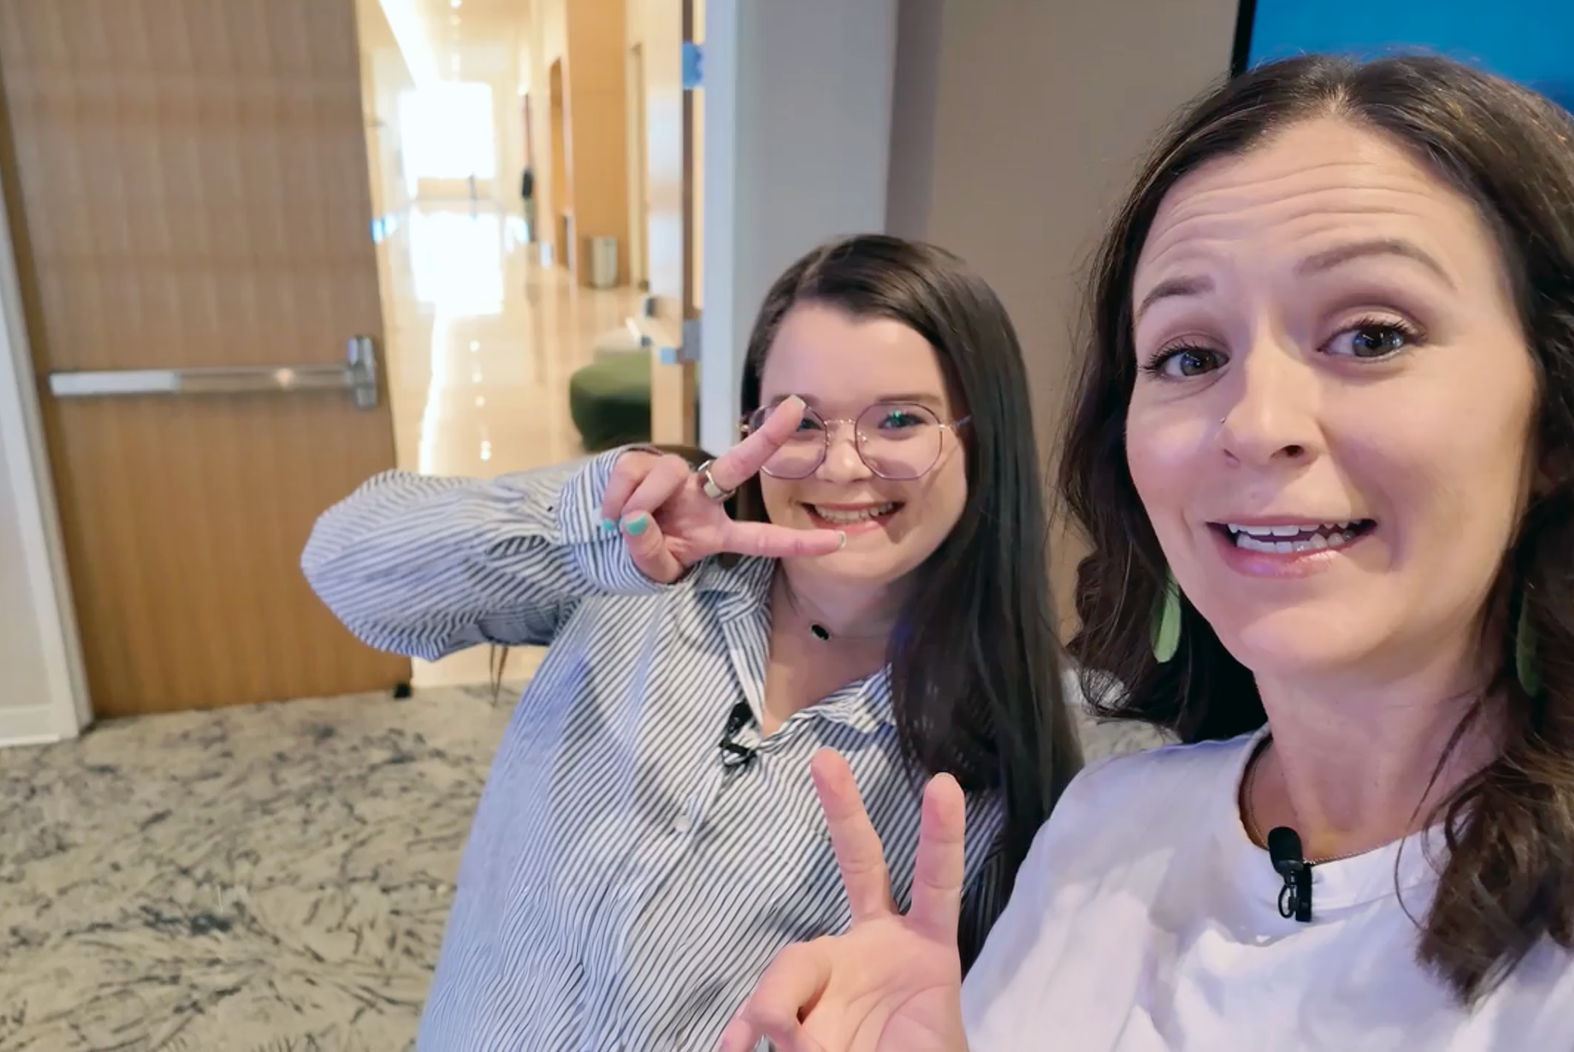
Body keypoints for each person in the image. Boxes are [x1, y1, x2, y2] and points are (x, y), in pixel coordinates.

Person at [721, 54, 1574, 1052]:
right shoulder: (1106, 822)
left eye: (1372, 335)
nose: (1257, 423)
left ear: (1551, 415)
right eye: (1189, 355)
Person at [301, 234, 1082, 1051]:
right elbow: (344, 566)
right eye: (798, 420)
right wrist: (586, 534)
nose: (841, 466)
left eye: (899, 420)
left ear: (982, 439)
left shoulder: (1000, 774)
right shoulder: (640, 570)